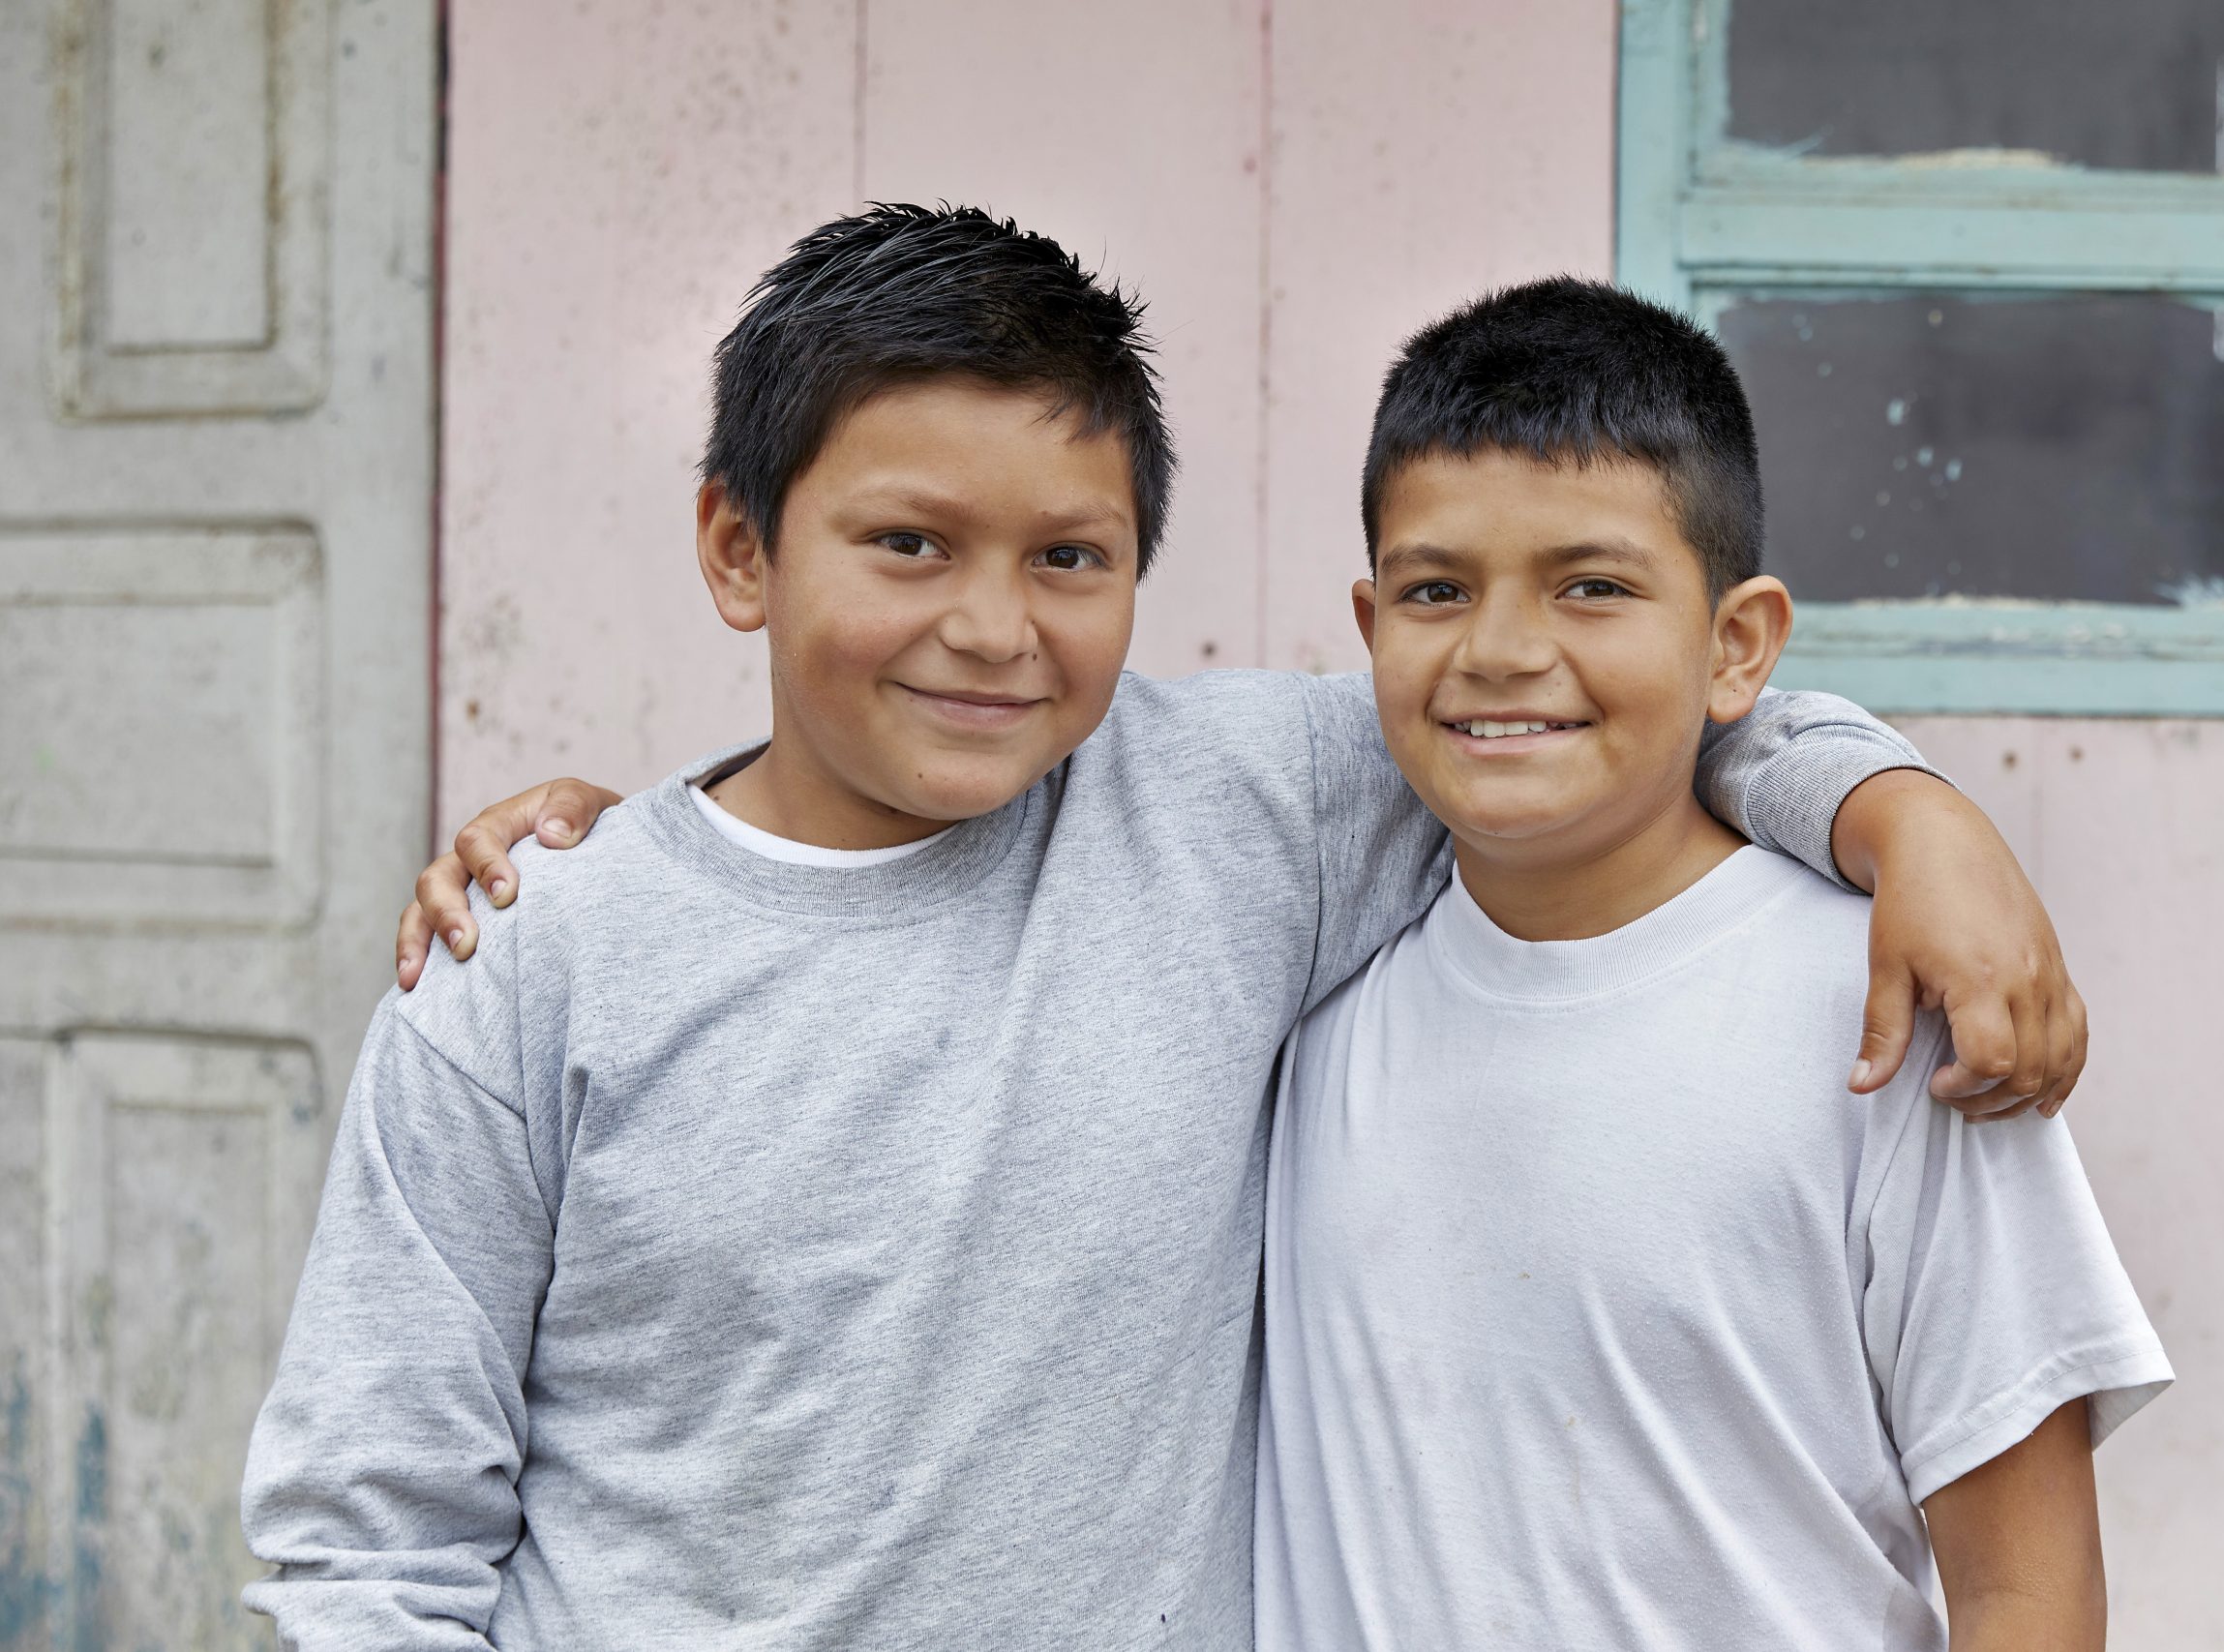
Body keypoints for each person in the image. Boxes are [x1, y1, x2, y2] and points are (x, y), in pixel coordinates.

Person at [246, 204, 2085, 1649]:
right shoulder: (530, 957)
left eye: (1070, 558)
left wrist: (1898, 812)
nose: (993, 627)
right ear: (741, 548)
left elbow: (1597, 717)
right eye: (907, 546)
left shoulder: (1241, 809)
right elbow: (366, 1531)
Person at [1255, 277, 2168, 1651]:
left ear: (1737, 647)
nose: (1503, 652)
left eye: (1594, 587)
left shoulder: (1889, 1021)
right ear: (1373, 628)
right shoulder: (1306, 1008)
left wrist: (1911, 810)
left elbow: (2023, 1587)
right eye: (1439, 590)